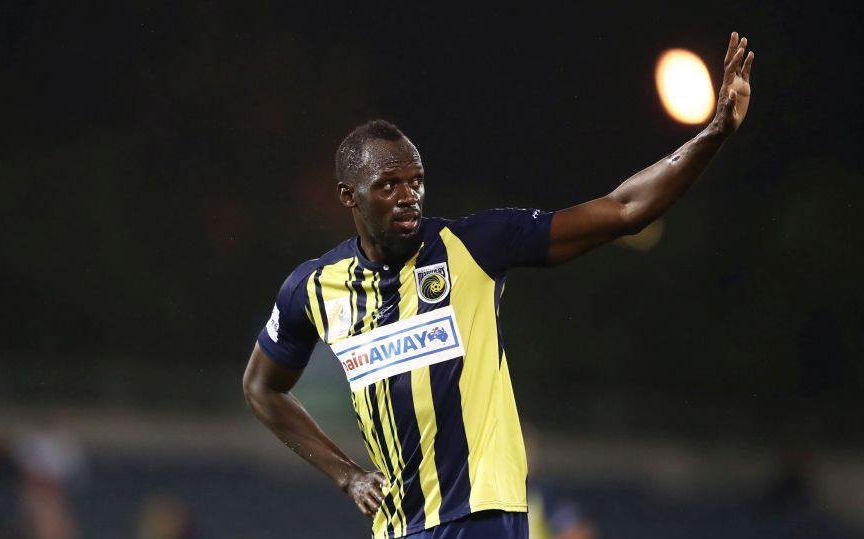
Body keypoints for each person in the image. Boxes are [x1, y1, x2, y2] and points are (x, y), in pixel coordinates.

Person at [243, 32, 754, 539]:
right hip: (397, 528)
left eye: (416, 181)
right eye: (388, 185)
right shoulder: (313, 288)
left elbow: (624, 210)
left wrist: (714, 134)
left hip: (480, 517)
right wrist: (346, 474)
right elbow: (262, 387)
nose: (408, 196)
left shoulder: (476, 246)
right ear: (348, 196)